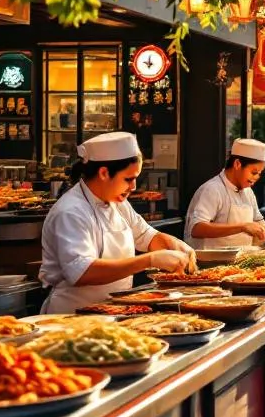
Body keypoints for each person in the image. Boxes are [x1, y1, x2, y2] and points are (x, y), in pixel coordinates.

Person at [40, 132, 196, 313]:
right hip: (71, 316)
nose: (134, 187)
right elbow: (82, 272)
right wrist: (150, 260)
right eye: (128, 179)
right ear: (104, 173)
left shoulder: (118, 203)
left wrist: (175, 245)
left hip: (112, 310)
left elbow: (146, 235)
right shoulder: (70, 211)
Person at [186, 138, 265, 248]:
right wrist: (242, 227)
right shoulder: (212, 189)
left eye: (259, 173)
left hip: (240, 260)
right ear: (237, 164)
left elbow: (257, 219)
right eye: (254, 172)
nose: (256, 177)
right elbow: (196, 229)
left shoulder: (248, 192)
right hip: (211, 261)